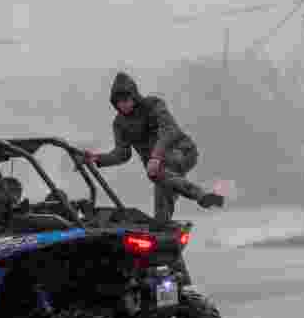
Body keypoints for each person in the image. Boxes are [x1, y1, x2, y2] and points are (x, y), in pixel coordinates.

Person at [85, 71, 224, 222]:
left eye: (127, 99)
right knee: (161, 210)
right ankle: (166, 228)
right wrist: (98, 158)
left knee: (157, 172)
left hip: (182, 152)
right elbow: (122, 153)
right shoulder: (119, 123)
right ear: (115, 103)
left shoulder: (153, 105)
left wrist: (156, 156)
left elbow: (170, 131)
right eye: (119, 101)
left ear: (134, 97)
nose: (124, 104)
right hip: (159, 169)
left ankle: (200, 195)